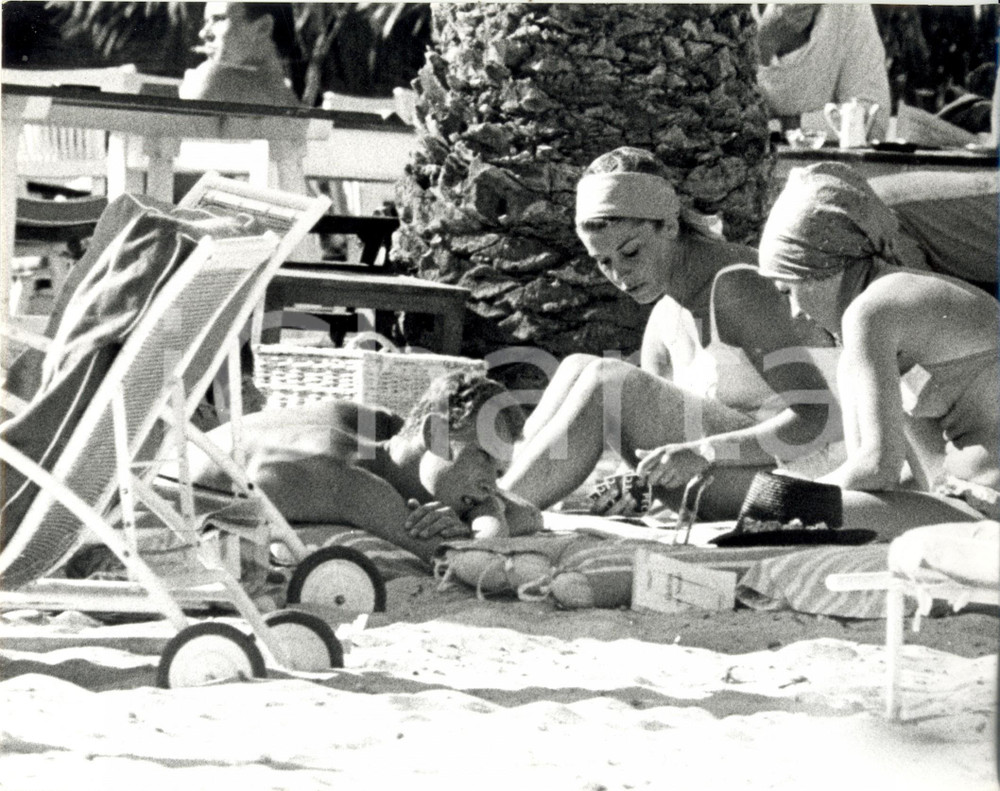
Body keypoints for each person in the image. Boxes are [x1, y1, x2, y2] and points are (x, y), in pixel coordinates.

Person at [500, 146, 845, 520]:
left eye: (630, 253)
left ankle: (498, 511)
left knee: (608, 381)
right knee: (576, 366)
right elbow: (646, 437)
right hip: (727, 475)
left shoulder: (737, 288)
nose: (619, 276)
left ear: (669, 225)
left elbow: (821, 419)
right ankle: (495, 497)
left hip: (806, 480)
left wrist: (706, 451)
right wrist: (629, 487)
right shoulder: (666, 312)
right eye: (603, 262)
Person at [757, 161, 999, 520]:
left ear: (818, 270)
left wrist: (790, 494)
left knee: (786, 506)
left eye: (788, 290)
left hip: (986, 503)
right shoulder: (888, 308)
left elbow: (876, 467)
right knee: (797, 504)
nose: (794, 312)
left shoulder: (871, 311)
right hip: (975, 496)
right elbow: (888, 477)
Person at [189, 371, 543, 563]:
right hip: (162, 501)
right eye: (481, 456)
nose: (490, 484)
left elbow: (529, 513)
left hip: (170, 460)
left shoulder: (376, 426)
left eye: (497, 471)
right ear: (434, 434)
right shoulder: (353, 483)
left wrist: (487, 500)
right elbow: (477, 555)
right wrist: (487, 515)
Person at [754, 4, 891, 140]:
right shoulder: (735, 11)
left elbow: (873, 122)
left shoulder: (850, 8)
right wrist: (765, 43)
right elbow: (734, 123)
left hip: (828, 161)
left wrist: (790, 124)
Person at [179, 2, 300, 107]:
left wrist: (198, 84)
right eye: (206, 21)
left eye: (219, 19)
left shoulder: (210, 82)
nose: (203, 33)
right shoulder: (293, 106)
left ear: (263, 27)